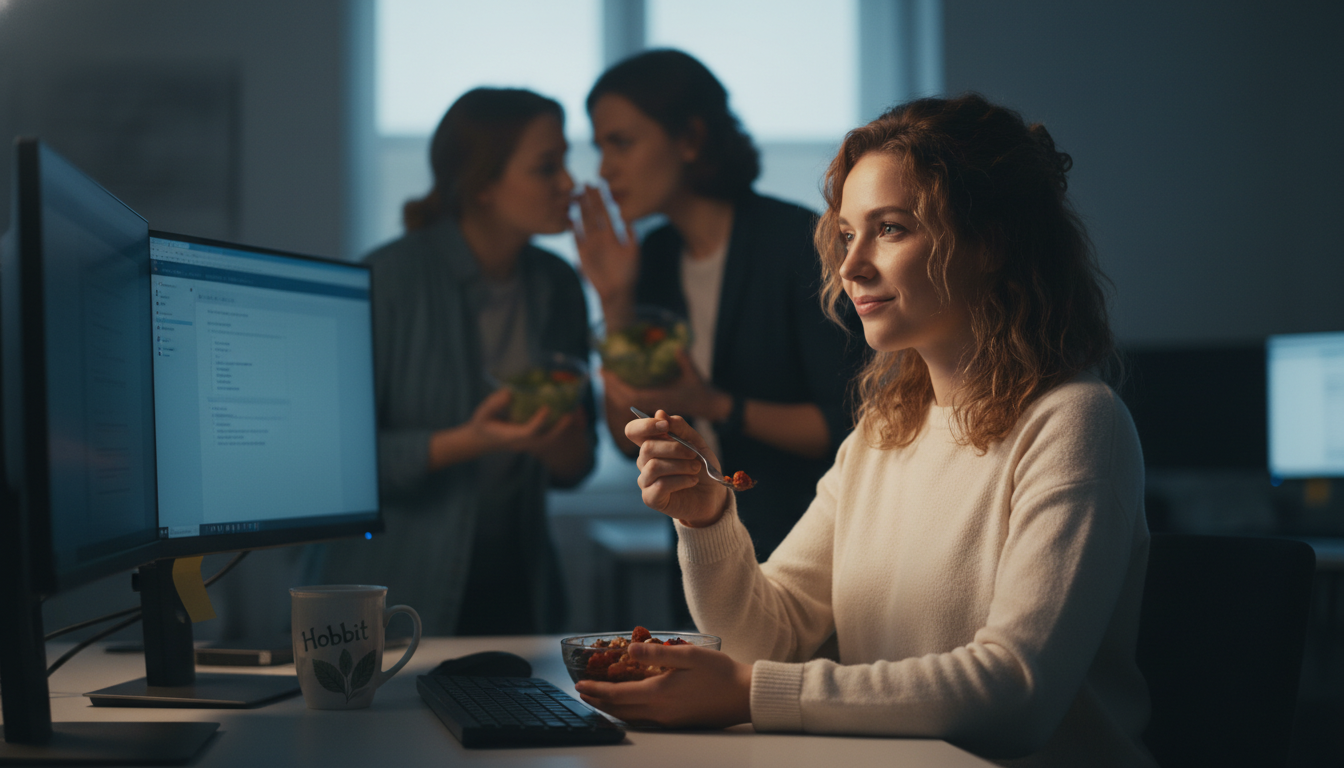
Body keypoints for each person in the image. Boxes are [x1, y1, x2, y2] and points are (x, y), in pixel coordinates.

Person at [575, 94, 1155, 767]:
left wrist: (752, 695)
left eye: (892, 228)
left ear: (991, 242)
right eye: (848, 234)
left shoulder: (1074, 423)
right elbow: (771, 634)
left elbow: (1016, 693)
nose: (850, 267)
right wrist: (706, 519)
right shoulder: (884, 432)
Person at [310, 88, 596, 637]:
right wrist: (475, 439)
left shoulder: (558, 285)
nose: (569, 183)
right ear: (483, 183)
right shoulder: (389, 278)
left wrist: (552, 437)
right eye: (547, 167)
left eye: (566, 162)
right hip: (395, 590)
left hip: (519, 589)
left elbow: (574, 467)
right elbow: (335, 467)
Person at [575, 49, 866, 562]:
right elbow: (628, 441)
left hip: (807, 550)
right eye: (599, 147)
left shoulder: (797, 241)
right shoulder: (656, 257)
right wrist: (615, 299)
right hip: (699, 549)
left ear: (689, 139)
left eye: (620, 143)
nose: (604, 168)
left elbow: (847, 425)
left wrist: (715, 405)